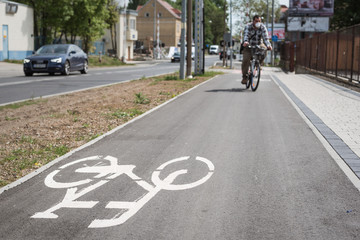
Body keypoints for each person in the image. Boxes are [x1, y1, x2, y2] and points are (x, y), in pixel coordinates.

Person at [241, 15, 272, 84]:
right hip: (248, 45)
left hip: (259, 45)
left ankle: (258, 64)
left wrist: (269, 45)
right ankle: (244, 77)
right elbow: (246, 35)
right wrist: (246, 42)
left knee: (264, 49)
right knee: (246, 60)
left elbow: (266, 38)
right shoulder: (248, 26)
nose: (258, 22)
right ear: (253, 21)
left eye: (259, 21)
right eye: (256, 21)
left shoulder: (262, 27)